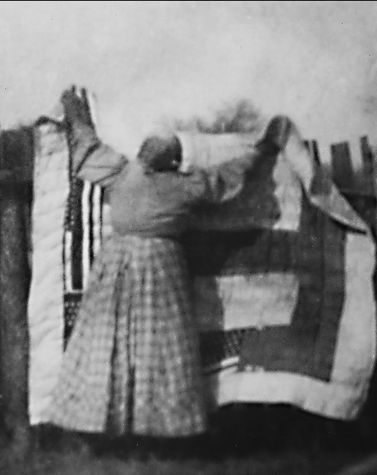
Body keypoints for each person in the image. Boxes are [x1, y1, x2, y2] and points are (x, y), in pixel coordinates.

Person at [46, 87, 290, 454]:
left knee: (113, 344)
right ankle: (148, 435)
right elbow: (230, 176)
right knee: (156, 347)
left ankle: (117, 433)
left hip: (120, 265)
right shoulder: (182, 186)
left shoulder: (123, 174)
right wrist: (260, 147)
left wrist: (75, 111)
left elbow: (85, 150)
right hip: (157, 267)